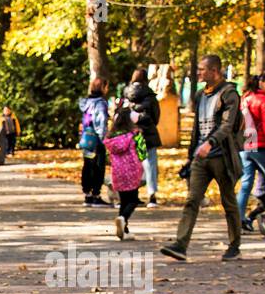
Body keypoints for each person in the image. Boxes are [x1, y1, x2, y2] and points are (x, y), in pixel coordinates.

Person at [159, 55, 244, 262]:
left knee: (228, 202)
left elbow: (227, 125)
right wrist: (191, 156)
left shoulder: (229, 94)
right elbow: (197, 128)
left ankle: (235, 245)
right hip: (200, 157)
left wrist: (210, 143)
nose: (198, 72)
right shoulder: (200, 95)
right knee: (192, 200)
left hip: (221, 156)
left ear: (214, 71)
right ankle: (180, 244)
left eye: (202, 69)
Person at [237, 72, 265, 231]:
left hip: (246, 146)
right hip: (261, 146)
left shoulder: (246, 97)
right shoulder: (264, 99)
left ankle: (238, 221)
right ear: (261, 82)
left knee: (246, 184)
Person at [104, 110, 145, 240]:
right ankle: (123, 218)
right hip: (132, 170)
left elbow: (107, 156)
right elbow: (143, 153)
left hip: (117, 172)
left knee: (124, 201)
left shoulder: (110, 138)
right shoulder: (135, 135)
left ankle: (124, 230)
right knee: (133, 200)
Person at [123, 68, 161, 205]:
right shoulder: (149, 95)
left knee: (134, 164)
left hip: (132, 134)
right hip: (147, 134)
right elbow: (156, 116)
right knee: (150, 164)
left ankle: (133, 194)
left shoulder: (126, 94)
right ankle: (152, 195)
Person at [79, 78, 110, 206]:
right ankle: (96, 194)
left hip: (87, 137)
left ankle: (87, 194)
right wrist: (104, 138)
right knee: (98, 166)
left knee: (88, 165)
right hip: (97, 138)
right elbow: (101, 122)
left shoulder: (87, 103)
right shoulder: (100, 103)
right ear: (102, 88)